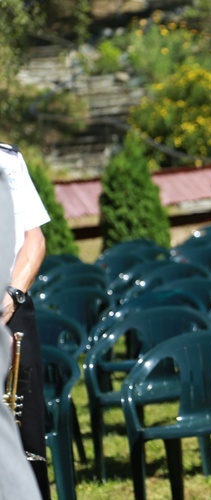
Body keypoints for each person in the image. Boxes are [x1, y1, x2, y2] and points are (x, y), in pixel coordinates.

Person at [0, 142, 51, 499]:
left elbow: (34, 239)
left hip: (10, 310)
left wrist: (13, 295)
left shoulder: (8, 160)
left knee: (26, 439)